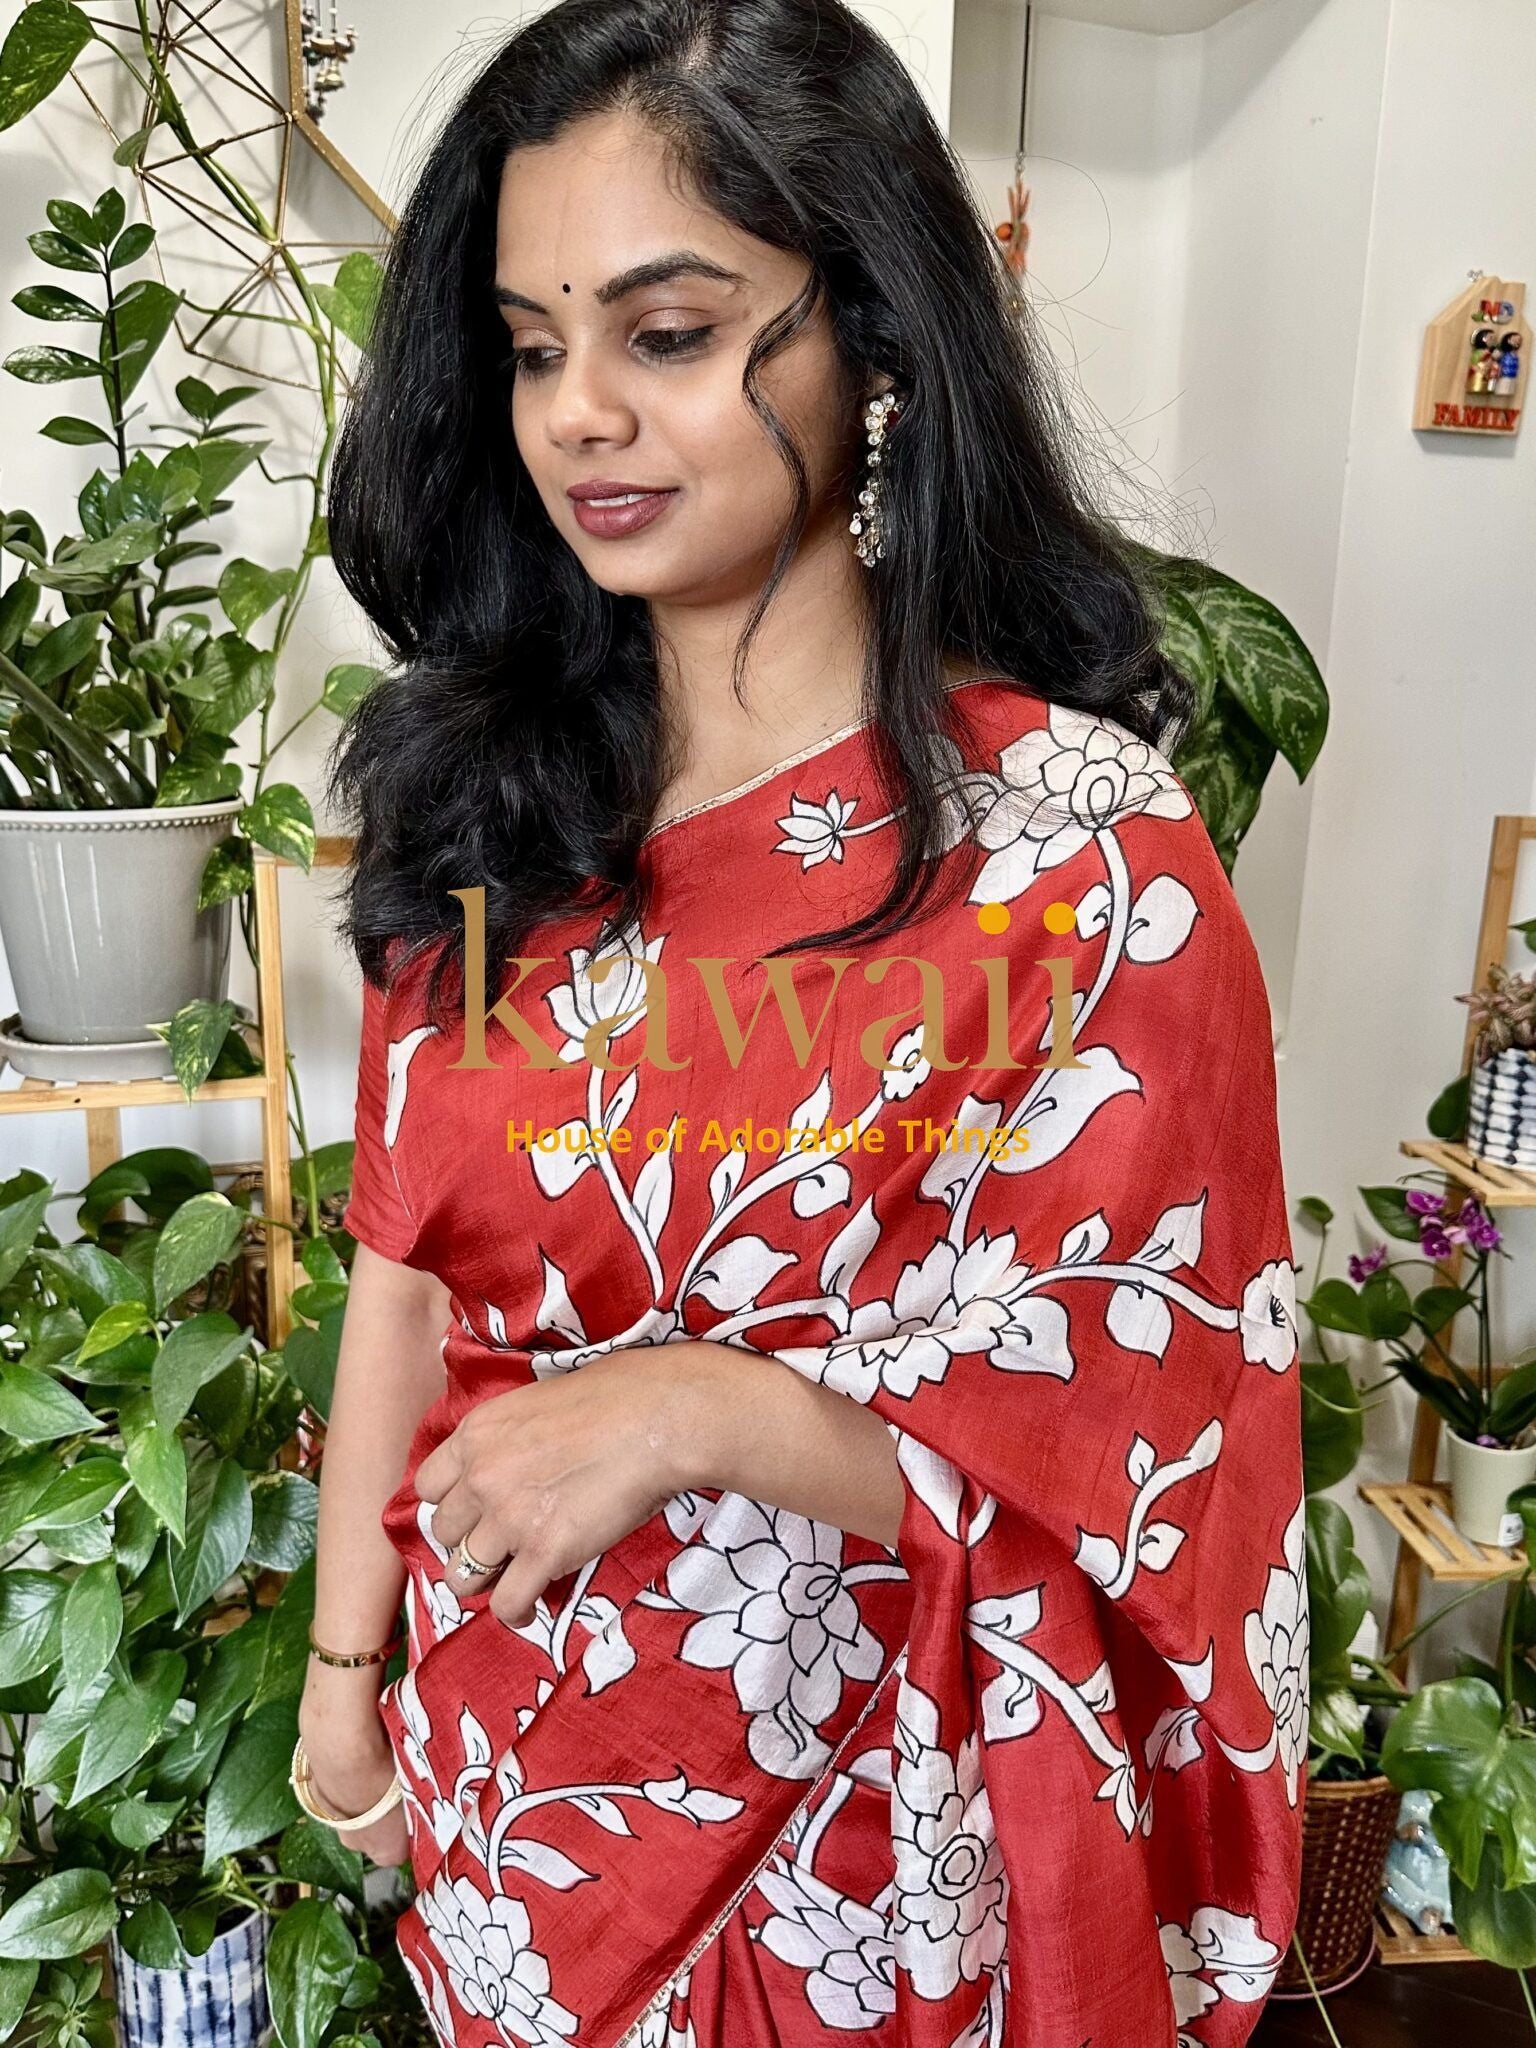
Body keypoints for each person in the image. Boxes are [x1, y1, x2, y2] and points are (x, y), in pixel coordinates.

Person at [299, 3, 1307, 2044]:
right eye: (529, 348)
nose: (579, 413)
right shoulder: (490, 816)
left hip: (883, 1881)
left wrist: (699, 1412)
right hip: (514, 1815)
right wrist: (344, 1685)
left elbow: (1156, 1463)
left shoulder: (1076, 861)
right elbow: (407, 1279)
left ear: (874, 345)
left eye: (666, 334)